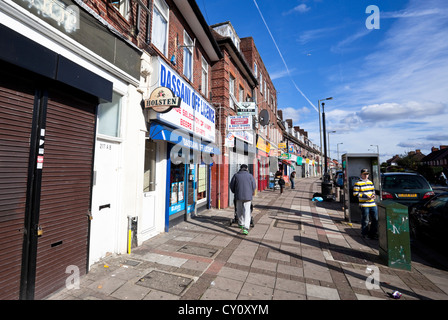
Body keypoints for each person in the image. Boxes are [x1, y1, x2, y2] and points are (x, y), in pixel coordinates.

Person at [230, 164, 256, 235]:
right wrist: (251, 192)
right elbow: (254, 186)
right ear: (246, 168)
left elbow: (231, 185)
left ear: (240, 168)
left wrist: (235, 192)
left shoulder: (236, 175)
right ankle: (246, 227)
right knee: (247, 212)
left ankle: (241, 223)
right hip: (248, 197)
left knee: (239, 210)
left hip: (238, 196)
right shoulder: (250, 176)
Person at [353, 168, 378, 239]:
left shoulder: (370, 182)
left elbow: (373, 191)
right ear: (361, 174)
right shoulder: (358, 183)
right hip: (364, 204)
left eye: (367, 174)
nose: (366, 175)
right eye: (364, 174)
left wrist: (373, 195)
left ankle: (373, 233)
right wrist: (365, 196)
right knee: (365, 219)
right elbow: (355, 194)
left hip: (372, 203)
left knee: (375, 219)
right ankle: (364, 233)